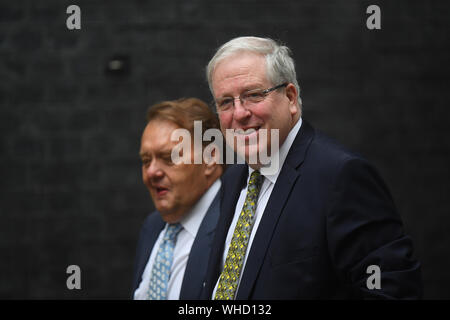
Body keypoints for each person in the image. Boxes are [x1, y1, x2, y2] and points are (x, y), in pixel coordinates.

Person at [202, 36, 422, 299]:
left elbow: (393, 291)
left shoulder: (341, 176)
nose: (238, 113)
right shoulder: (235, 177)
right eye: (226, 102)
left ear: (291, 98)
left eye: (253, 95)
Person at [132, 98, 224, 300]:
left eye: (168, 157)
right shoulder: (153, 227)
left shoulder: (234, 227)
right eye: (146, 161)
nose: (152, 172)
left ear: (210, 157)